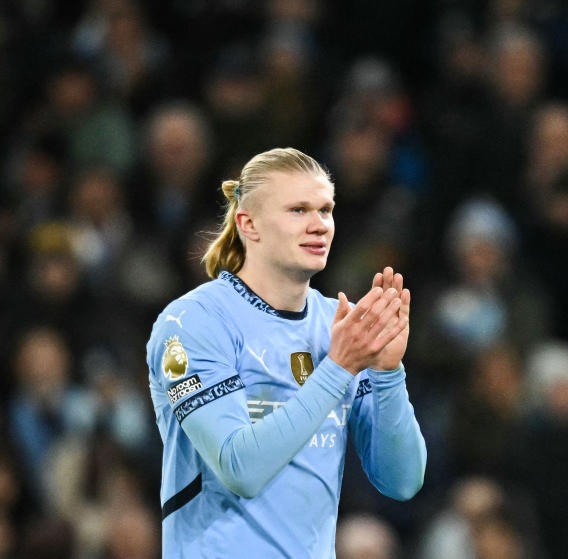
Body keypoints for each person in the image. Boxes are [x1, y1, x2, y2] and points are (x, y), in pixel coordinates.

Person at [145, 147, 426, 557]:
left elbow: (401, 481)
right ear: (249, 224)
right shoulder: (193, 323)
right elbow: (239, 468)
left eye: (326, 210)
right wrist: (338, 367)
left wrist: (387, 372)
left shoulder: (340, 325)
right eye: (298, 210)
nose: (319, 225)